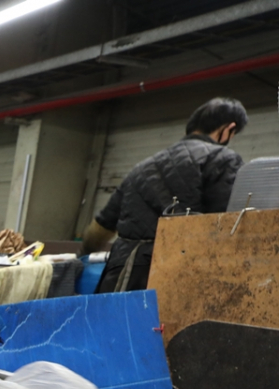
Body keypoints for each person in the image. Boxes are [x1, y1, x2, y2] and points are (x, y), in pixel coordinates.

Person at [86, 97, 248, 293]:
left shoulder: (143, 166)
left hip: (121, 276)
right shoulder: (222, 159)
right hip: (174, 277)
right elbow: (228, 225)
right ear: (228, 129)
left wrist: (83, 256)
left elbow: (100, 228)